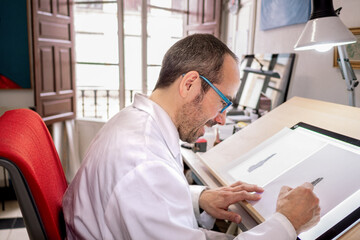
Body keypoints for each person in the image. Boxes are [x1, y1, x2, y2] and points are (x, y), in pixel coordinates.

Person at [62, 34, 320, 240]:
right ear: (190, 84)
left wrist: (198, 198)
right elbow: (147, 184)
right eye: (222, 102)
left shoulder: (134, 121)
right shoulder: (144, 163)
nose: (221, 118)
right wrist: (287, 222)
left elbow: (147, 200)